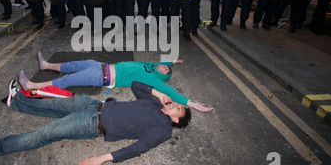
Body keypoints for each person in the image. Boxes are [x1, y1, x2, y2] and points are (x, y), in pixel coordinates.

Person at [0, 81, 212, 165]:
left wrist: (103, 158)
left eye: (178, 108)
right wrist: (159, 95)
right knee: (53, 105)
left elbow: (138, 149)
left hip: (93, 123)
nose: (174, 105)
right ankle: (16, 101)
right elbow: (137, 85)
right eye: (176, 103)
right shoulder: (154, 105)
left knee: (44, 134)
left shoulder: (163, 129)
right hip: (96, 104)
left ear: (177, 119)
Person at [17, 53, 211, 113]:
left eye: (168, 71)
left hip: (101, 77)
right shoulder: (151, 66)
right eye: (167, 67)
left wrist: (191, 103)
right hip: (101, 65)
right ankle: (46, 64)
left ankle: (31, 86)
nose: (167, 68)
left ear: (163, 77)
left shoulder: (153, 79)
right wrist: (173, 62)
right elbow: (163, 63)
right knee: (74, 64)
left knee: (68, 80)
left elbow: (171, 92)